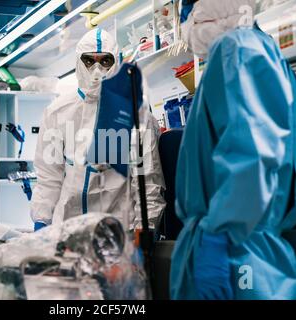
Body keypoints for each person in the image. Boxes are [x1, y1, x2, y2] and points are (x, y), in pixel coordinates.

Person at [171, 0, 296, 300]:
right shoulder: (256, 49)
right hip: (242, 244)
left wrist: (217, 237)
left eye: (187, 11)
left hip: (236, 250)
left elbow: (252, 157)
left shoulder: (237, 48)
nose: (185, 22)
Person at [30, 28, 165, 231]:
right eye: (89, 61)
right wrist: (41, 224)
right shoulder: (58, 112)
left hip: (117, 235)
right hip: (67, 231)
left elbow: (148, 182)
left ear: (115, 63)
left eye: (104, 61)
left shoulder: (136, 114)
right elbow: (49, 177)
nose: (96, 70)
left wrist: (143, 234)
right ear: (78, 62)